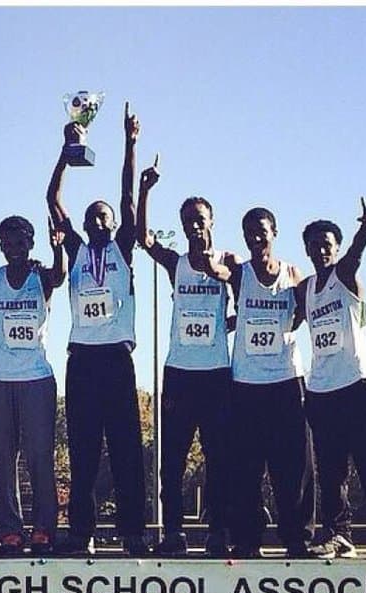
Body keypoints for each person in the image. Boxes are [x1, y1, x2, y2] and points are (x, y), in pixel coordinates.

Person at [47, 102, 148, 557]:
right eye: (92, 218)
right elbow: (52, 202)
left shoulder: (125, 248)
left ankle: (132, 532)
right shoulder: (76, 252)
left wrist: (130, 144)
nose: (99, 221)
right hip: (82, 362)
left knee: (126, 447)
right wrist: (64, 156)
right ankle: (81, 533)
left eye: (104, 217)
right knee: (83, 451)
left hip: (116, 359)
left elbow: (128, 200)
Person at [137, 159, 240, 557]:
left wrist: (225, 325)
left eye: (199, 219)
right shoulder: (175, 262)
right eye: (186, 221)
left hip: (216, 373)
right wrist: (146, 190)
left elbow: (233, 286)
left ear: (211, 219)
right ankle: (174, 533)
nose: (193, 226)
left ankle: (218, 531)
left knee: (219, 456)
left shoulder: (228, 261)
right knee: (172, 459)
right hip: (179, 373)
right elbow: (145, 239)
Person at [297, 198, 366, 560]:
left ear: (336, 248)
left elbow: (356, 254)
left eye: (327, 244)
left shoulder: (345, 276)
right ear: (307, 250)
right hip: (322, 392)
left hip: (358, 388)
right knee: (332, 473)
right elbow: (284, 317)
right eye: (314, 245)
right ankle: (339, 535)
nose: (321, 250)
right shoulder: (306, 288)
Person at [224, 207, 323, 559]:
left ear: (274, 232)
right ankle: (248, 539)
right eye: (249, 231)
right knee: (246, 466)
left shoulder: (293, 274)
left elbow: (304, 311)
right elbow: (215, 270)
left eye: (262, 231)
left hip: (286, 380)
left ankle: (297, 538)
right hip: (246, 382)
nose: (256, 237)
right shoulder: (239, 272)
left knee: (294, 466)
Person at [0, 215, 66, 556]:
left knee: (40, 456)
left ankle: (44, 529)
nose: (14, 249)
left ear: (31, 243)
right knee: (3, 458)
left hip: (36, 379)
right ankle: (10, 531)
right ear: (0, 246)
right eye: (7, 244)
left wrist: (58, 249)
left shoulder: (41, 277)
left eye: (20, 243)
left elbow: (59, 276)